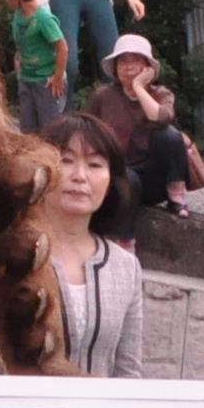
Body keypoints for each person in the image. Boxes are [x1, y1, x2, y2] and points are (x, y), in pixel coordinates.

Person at [35, 115, 143, 377]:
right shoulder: (14, 258)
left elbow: (129, 370)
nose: (80, 176)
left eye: (95, 164)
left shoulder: (126, 267)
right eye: (66, 160)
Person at [83, 38, 204, 238]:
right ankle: (126, 243)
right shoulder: (102, 96)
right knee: (127, 178)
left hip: (153, 180)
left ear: (148, 68)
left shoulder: (162, 94)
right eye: (123, 61)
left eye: (135, 61)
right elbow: (87, 130)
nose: (128, 67)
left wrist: (139, 88)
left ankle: (176, 195)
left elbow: (161, 118)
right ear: (115, 68)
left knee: (169, 135)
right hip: (118, 180)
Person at [0, 0, 66, 133]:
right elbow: (24, 38)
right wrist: (19, 56)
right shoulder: (19, 14)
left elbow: (62, 47)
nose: (5, 0)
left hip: (45, 81)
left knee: (50, 129)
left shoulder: (43, 19)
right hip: (26, 78)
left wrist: (58, 76)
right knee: (28, 129)